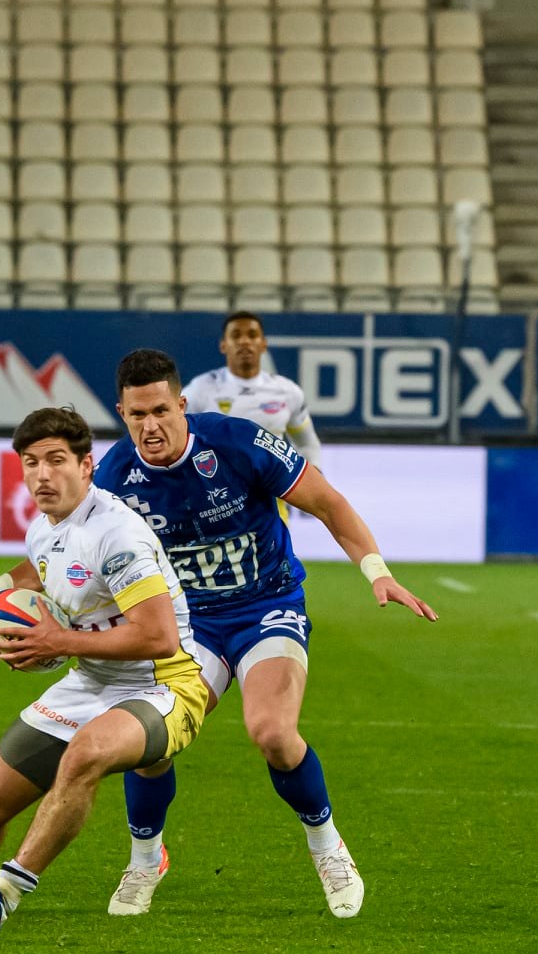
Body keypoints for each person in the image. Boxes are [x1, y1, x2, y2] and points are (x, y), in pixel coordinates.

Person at [94, 348, 435, 919]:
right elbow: (82, 556)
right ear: (122, 415)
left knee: (272, 732)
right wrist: (10, 586)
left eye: (160, 411)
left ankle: (328, 848)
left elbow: (326, 501)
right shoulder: (111, 478)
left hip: (266, 605)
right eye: (136, 416)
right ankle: (145, 858)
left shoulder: (239, 442)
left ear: (182, 404)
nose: (150, 426)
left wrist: (378, 572)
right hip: (187, 621)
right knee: (150, 741)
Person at [0, 406, 212, 939]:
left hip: (163, 684)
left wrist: (57, 641)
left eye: (55, 461)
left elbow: (158, 636)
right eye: (30, 463)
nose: (42, 475)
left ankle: (6, 892)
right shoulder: (43, 528)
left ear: (87, 465)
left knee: (85, 754)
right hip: (92, 678)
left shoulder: (118, 534)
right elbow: (48, 569)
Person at [182, 310, 323, 468]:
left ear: (264, 344)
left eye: (252, 335)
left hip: (273, 487)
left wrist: (315, 471)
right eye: (235, 335)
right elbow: (179, 438)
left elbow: (306, 444)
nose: (244, 341)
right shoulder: (199, 390)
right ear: (223, 345)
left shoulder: (288, 391)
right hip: (221, 488)